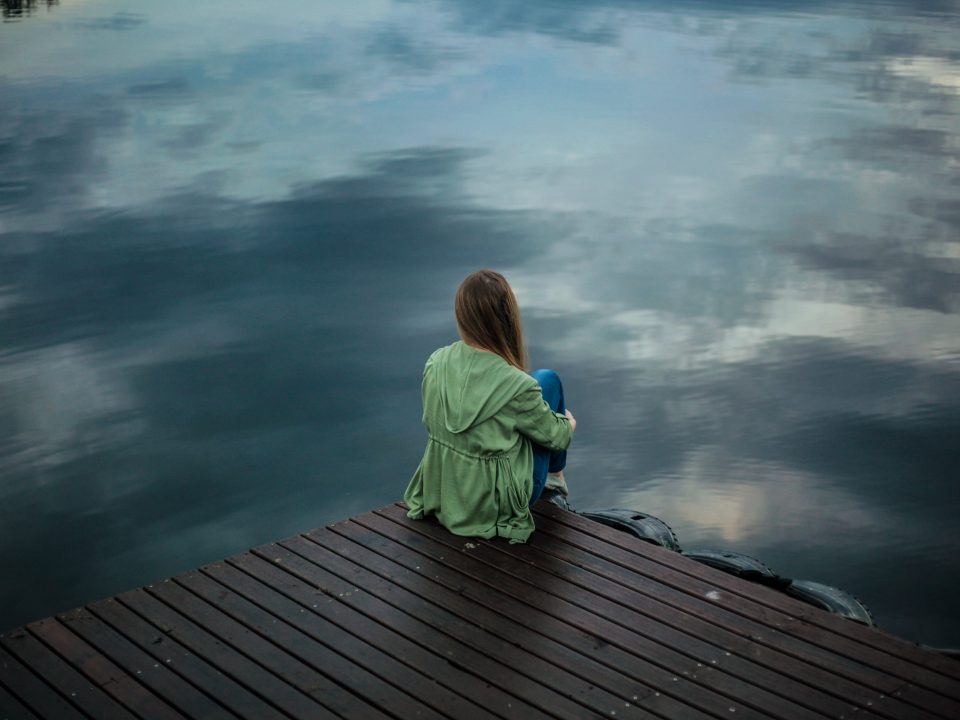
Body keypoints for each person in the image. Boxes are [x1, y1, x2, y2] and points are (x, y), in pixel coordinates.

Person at [403, 269, 576, 543]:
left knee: (539, 385)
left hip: (446, 493)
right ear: (507, 319)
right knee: (548, 380)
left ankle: (552, 478)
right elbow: (559, 438)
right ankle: (555, 480)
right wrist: (568, 423)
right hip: (494, 507)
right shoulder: (518, 386)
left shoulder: (435, 363)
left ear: (461, 316)